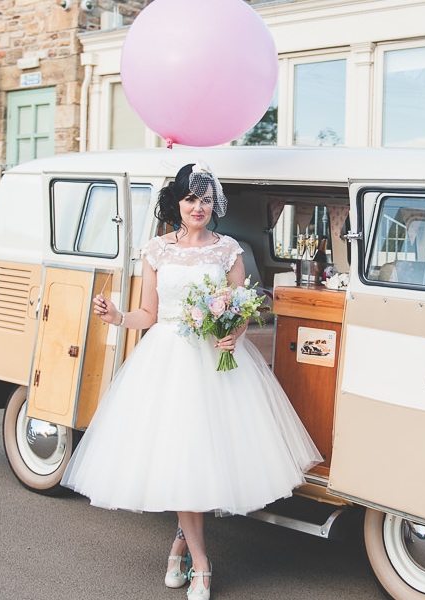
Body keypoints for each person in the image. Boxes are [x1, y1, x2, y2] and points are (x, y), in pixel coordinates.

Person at [61, 163, 322, 600]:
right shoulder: (157, 250)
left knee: (202, 459)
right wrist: (116, 317)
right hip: (166, 361)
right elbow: (147, 314)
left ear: (213, 204)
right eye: (189, 199)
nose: (197, 207)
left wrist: (232, 332)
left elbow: (244, 309)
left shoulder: (229, 251)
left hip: (218, 365)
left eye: (204, 199)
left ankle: (181, 547)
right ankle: (201, 563)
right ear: (177, 204)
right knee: (182, 455)